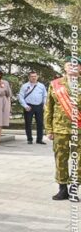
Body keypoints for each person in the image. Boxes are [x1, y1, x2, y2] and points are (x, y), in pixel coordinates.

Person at [46, 58, 79, 201]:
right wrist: (49, 129)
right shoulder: (55, 84)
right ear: (64, 68)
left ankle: (74, 189)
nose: (72, 67)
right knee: (60, 159)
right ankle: (62, 188)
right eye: (69, 65)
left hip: (79, 129)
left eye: (76, 64)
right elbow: (49, 108)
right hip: (60, 129)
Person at [18, 71, 47, 145]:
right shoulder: (25, 86)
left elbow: (45, 96)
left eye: (35, 76)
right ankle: (29, 139)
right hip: (28, 106)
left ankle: (39, 139)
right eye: (32, 76)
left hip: (39, 106)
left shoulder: (41, 86)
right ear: (29, 77)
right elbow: (20, 96)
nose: (33, 78)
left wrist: (44, 104)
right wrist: (25, 106)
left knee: (40, 123)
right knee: (28, 123)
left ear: (37, 77)